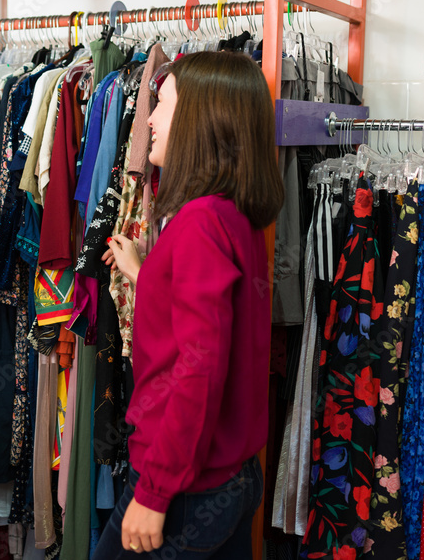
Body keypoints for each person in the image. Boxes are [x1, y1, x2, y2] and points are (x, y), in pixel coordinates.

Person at [94, 51, 284, 558]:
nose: (149, 119)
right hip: (228, 475)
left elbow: (199, 370)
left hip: (185, 485)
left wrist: (154, 492)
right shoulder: (230, 216)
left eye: (162, 104)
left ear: (202, 119)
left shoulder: (199, 223)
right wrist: (143, 271)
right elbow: (211, 325)